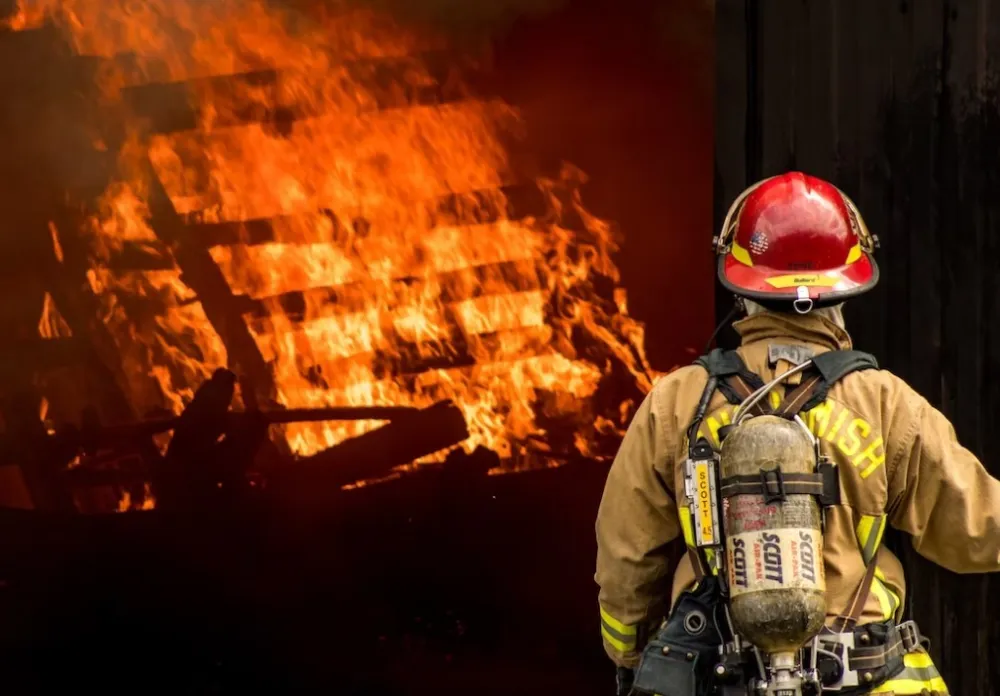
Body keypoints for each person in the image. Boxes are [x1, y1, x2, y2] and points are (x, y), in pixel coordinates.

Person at [594, 172, 1000, 695]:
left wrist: (631, 657)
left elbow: (626, 558)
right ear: (845, 291)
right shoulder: (885, 402)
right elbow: (976, 529)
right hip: (863, 676)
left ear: (742, 289)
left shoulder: (676, 403)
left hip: (719, 676)